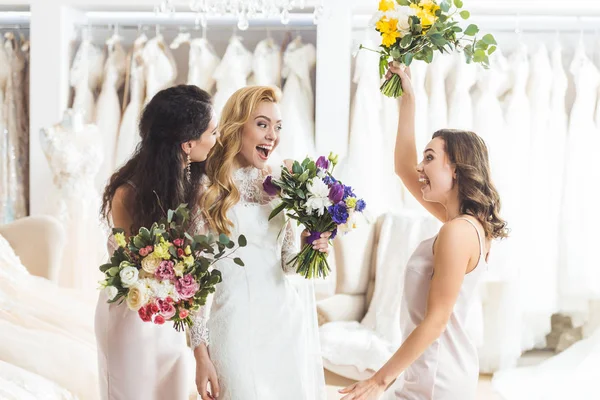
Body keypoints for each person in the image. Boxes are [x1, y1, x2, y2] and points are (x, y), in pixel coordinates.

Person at [340, 64, 508, 400]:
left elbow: (436, 321)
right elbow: (403, 168)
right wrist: (409, 99)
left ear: (456, 170)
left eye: (429, 158)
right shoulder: (464, 223)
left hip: (438, 373)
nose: (420, 166)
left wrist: (379, 380)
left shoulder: (457, 232)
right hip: (435, 366)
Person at [191, 86, 329, 400]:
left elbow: (288, 263)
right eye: (262, 124)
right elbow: (195, 281)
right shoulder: (207, 187)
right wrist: (200, 353)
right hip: (233, 326)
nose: (272, 136)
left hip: (284, 323)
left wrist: (311, 243)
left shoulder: (281, 182)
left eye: (277, 127)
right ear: (238, 126)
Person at [95, 85, 219, 400]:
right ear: (188, 143)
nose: (217, 141)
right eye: (212, 133)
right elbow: (138, 271)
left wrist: (200, 352)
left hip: (172, 322)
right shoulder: (129, 193)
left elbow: (196, 274)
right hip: (132, 316)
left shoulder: (199, 189)